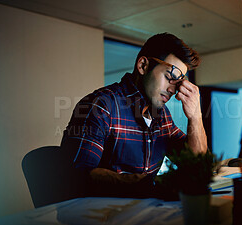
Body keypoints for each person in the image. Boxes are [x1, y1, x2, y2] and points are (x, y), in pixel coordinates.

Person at [61, 33, 207, 198]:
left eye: (178, 83)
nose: (173, 90)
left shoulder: (162, 115)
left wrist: (196, 116)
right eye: (169, 77)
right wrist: (149, 186)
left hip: (143, 213)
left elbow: (196, 166)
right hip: (96, 217)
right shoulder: (100, 106)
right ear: (143, 66)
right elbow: (78, 176)